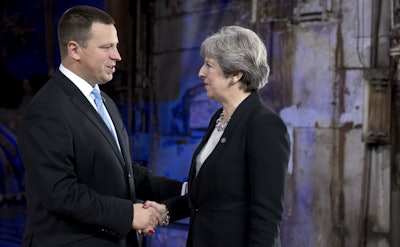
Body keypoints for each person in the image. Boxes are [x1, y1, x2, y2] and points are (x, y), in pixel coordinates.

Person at [17, 5, 183, 247]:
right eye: (106, 47)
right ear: (74, 49)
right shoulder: (46, 109)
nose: (117, 55)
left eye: (115, 45)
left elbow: (122, 171)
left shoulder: (103, 100)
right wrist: (129, 214)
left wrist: (183, 191)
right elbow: (60, 192)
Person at [161, 25, 291, 246]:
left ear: (235, 75)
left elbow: (267, 219)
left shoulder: (264, 125)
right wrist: (165, 211)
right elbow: (209, 197)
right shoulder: (219, 118)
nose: (201, 72)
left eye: (209, 65)